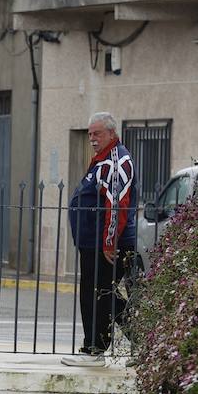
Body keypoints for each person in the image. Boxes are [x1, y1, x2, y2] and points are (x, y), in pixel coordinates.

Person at [62, 111, 136, 367]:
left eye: (97, 133)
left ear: (112, 134)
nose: (92, 138)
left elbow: (117, 204)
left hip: (105, 245)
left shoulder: (116, 161)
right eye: (90, 134)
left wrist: (109, 242)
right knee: (101, 294)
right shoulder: (102, 160)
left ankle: (94, 349)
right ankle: (142, 341)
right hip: (93, 243)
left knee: (100, 294)